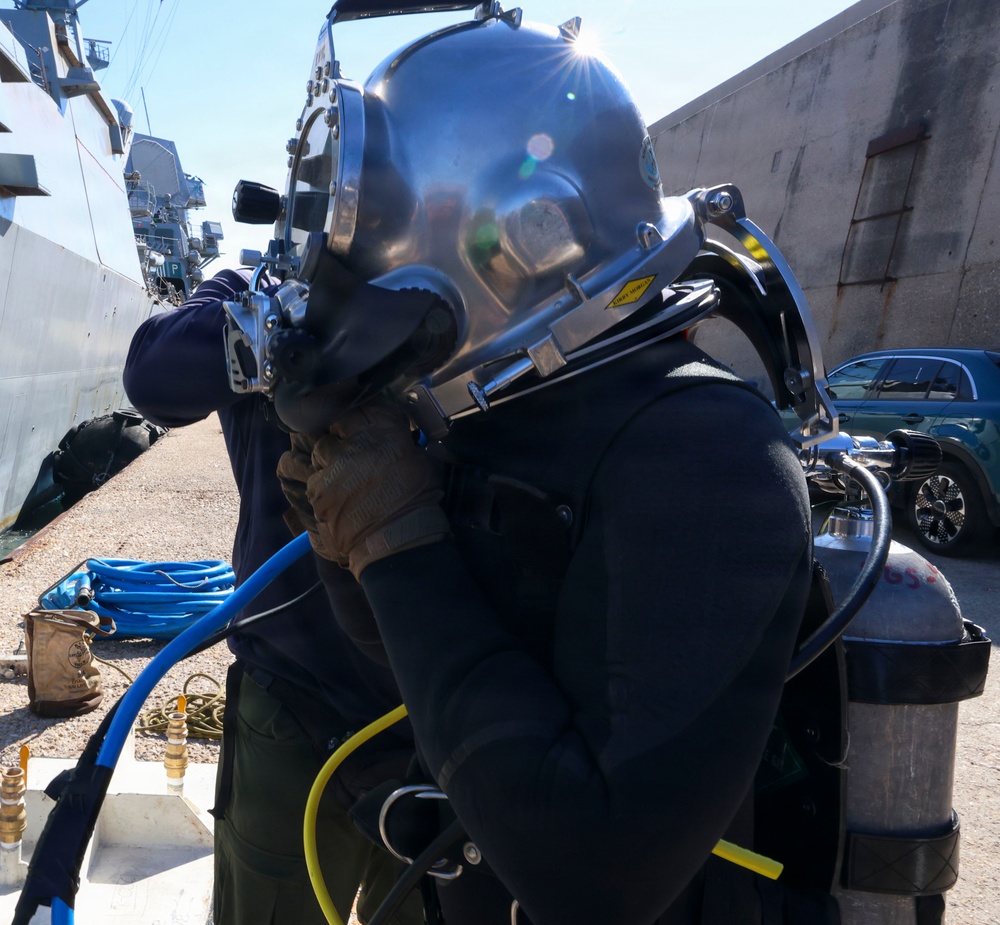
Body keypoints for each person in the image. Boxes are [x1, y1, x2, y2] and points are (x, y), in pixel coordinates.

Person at [266, 9, 826, 925]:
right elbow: (419, 678)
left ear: (527, 231)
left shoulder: (707, 455)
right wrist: (353, 546)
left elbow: (597, 879)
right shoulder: (502, 413)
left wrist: (399, 544)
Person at [122, 268, 422, 925]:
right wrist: (293, 312)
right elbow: (152, 375)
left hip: (452, 709)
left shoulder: (483, 298)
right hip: (296, 709)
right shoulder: (256, 294)